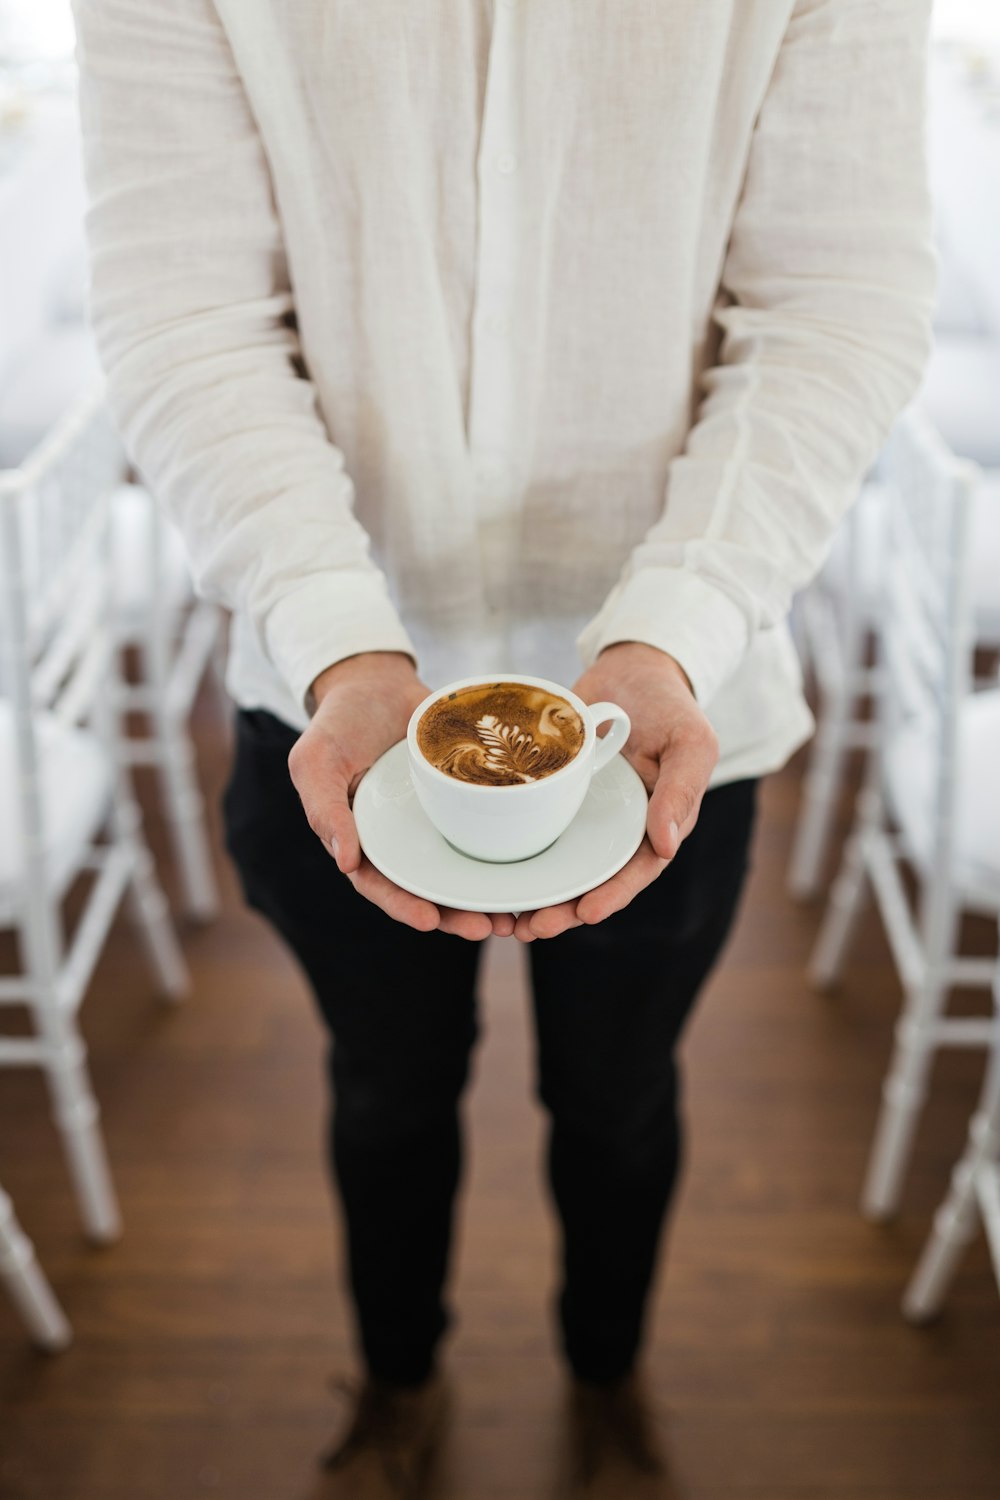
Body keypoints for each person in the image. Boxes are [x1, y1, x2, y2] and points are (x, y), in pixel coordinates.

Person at [73, 2, 935, 1494]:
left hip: (676, 709)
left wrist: (673, 624)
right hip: (324, 698)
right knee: (384, 1090)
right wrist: (338, 631)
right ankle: (398, 1383)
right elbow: (184, 312)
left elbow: (834, 301)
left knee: (620, 1098)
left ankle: (608, 1378)